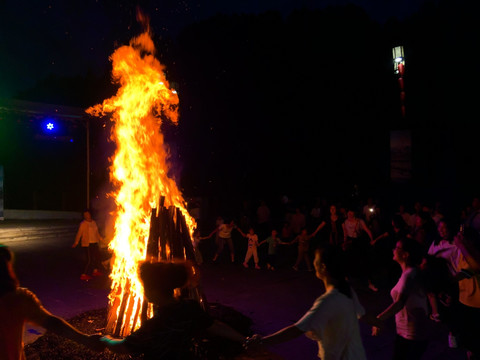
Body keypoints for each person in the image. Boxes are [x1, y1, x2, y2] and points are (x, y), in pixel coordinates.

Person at [95, 260, 247, 359]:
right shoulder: (190, 307)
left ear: (153, 291)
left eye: (145, 287)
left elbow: (123, 347)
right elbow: (215, 326)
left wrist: (105, 339)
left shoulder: (156, 324)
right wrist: (244, 340)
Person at [247, 244, 367, 360]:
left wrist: (262, 341)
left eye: (316, 259)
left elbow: (296, 330)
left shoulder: (327, 301)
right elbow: (363, 314)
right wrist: (379, 322)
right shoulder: (346, 289)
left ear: (323, 267)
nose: (314, 262)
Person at [0, 244, 101, 360]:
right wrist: (85, 339)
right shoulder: (17, 299)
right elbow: (51, 323)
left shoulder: (18, 299)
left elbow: (52, 322)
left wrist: (85, 339)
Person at [372, 237, 430, 360]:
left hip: (412, 334)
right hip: (405, 332)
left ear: (405, 255)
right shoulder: (407, 274)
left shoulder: (410, 275)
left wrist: (378, 319)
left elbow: (399, 303)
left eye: (397, 248)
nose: (394, 250)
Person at [453, 227, 480, 359]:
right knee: (468, 339)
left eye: (461, 236)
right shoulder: (461, 252)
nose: (457, 238)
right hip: (464, 300)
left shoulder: (473, 252)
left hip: (476, 303)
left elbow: (475, 266)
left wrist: (461, 245)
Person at [72, 209, 105, 281]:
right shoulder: (83, 224)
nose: (86, 216)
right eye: (85, 215)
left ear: (90, 214)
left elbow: (97, 232)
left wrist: (101, 239)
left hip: (95, 242)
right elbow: (79, 233)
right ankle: (83, 274)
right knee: (89, 260)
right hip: (87, 244)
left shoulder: (94, 222)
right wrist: (76, 242)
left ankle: (95, 271)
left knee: (96, 257)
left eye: (87, 214)